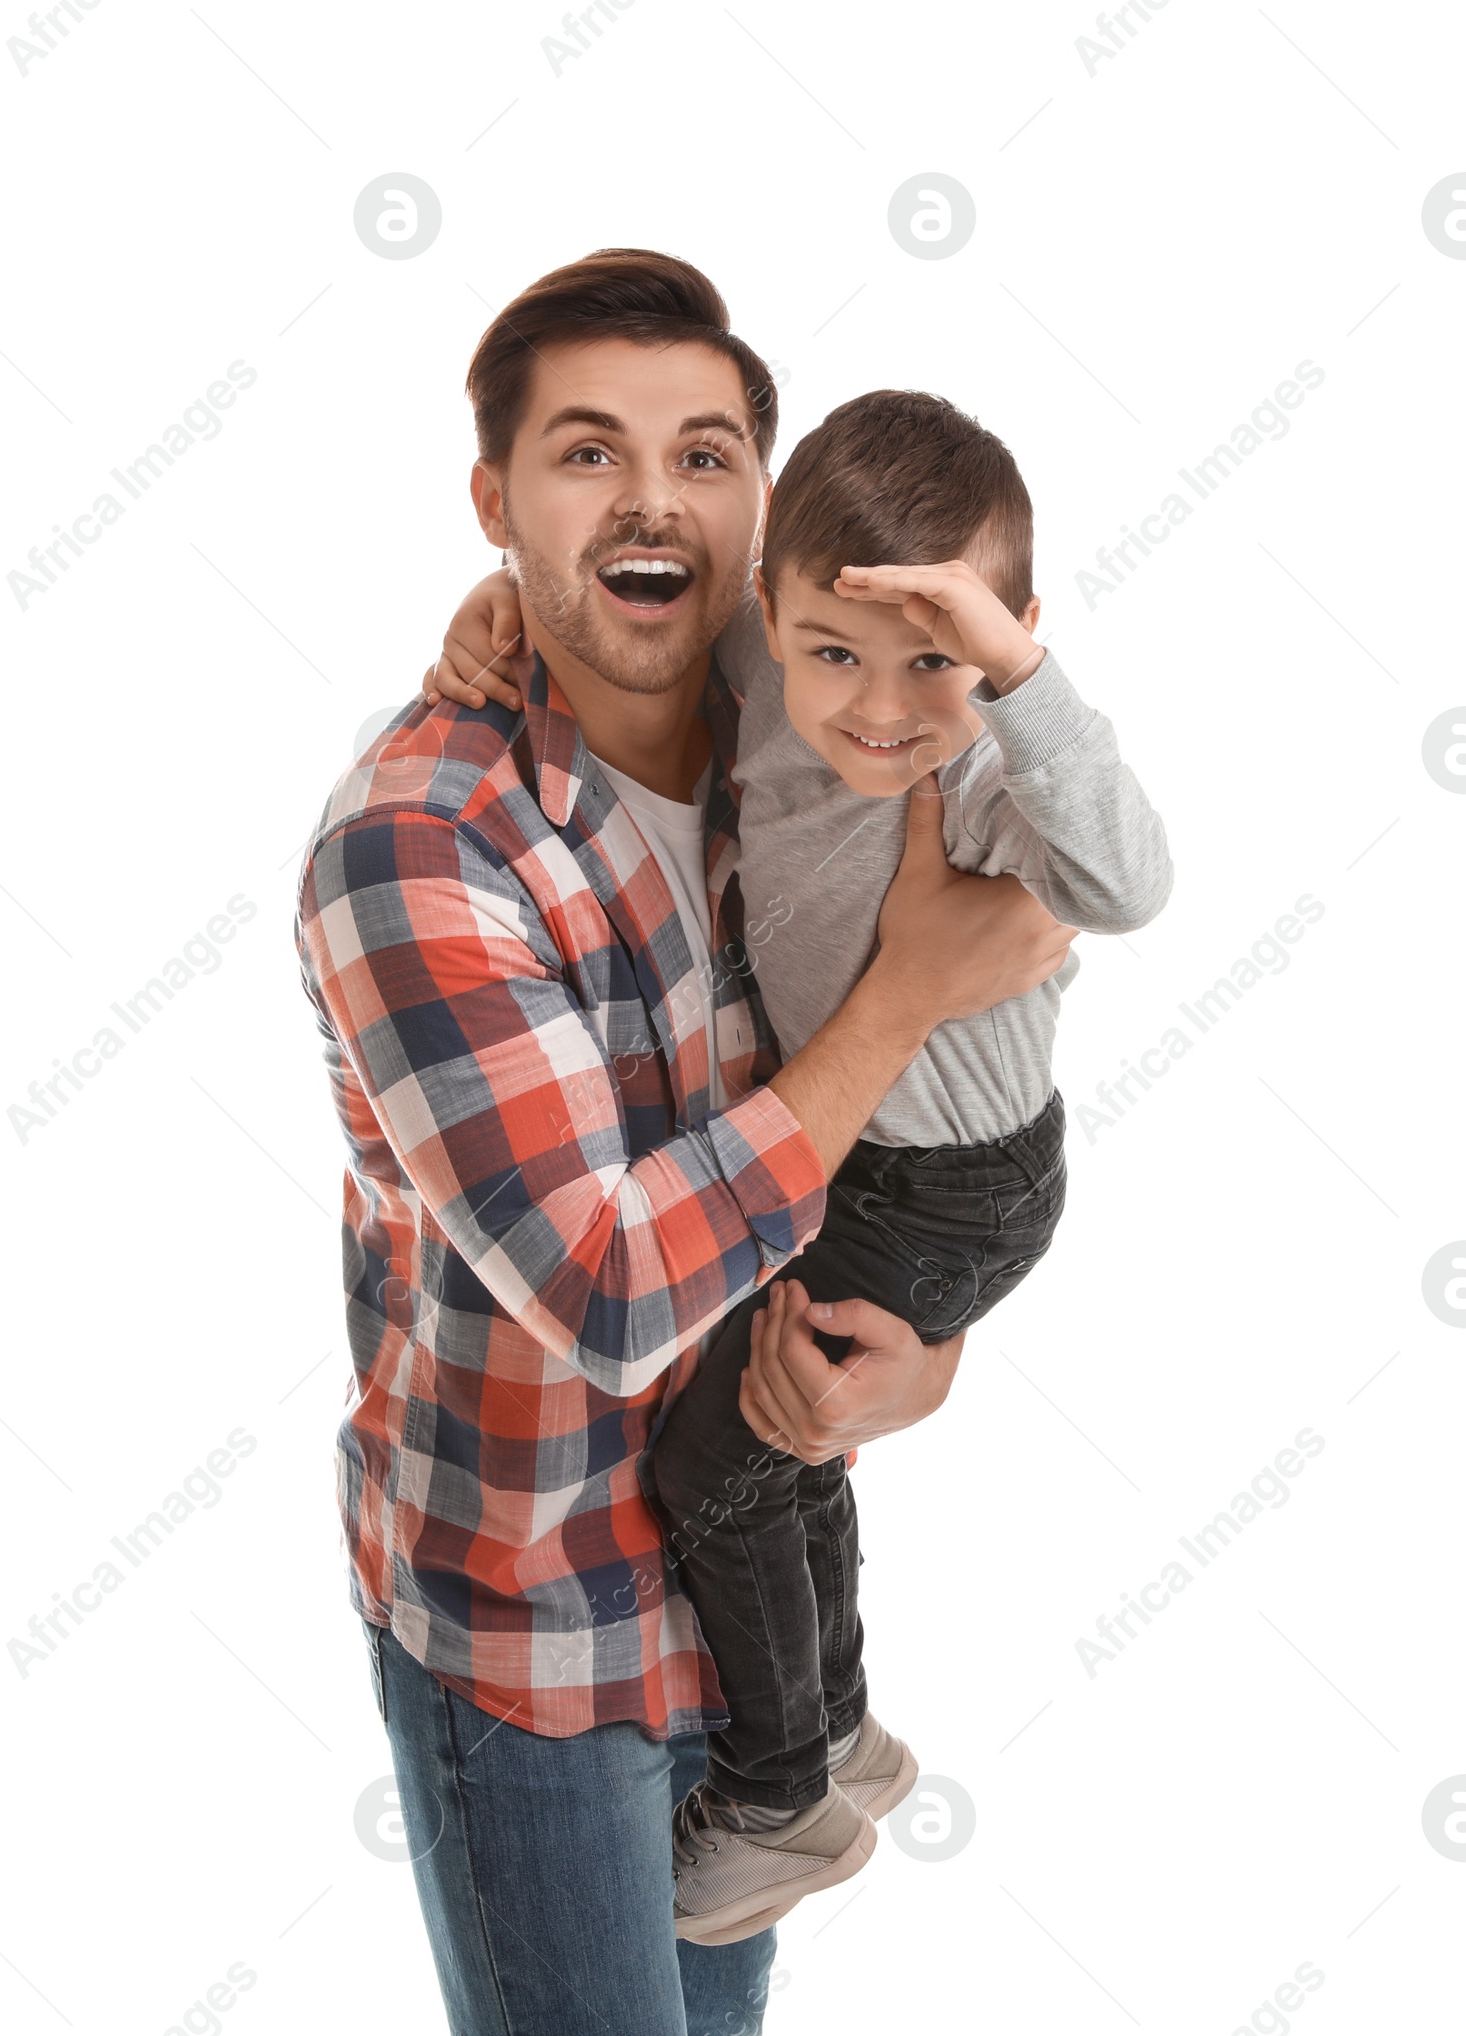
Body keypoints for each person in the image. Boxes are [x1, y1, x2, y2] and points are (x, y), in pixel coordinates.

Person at [295, 249, 1075, 2036]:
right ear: (494, 500)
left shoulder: (812, 732)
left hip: (748, 1611)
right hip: (540, 1632)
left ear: (769, 512)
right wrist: (903, 994)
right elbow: (618, 1287)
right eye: (589, 453)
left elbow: (949, 1127)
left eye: (706, 455)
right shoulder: (418, 848)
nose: (654, 497)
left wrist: (921, 1357)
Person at [431, 388, 1174, 1946]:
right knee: (777, 1424)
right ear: (773, 610)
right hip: (856, 1158)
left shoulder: (982, 777)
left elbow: (1129, 881)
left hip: (950, 1177)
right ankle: (835, 1729)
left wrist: (1025, 682)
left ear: (1000, 643)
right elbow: (645, 605)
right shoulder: (768, 665)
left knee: (717, 1457)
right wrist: (500, 598)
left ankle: (776, 1798)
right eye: (836, 652)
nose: (880, 709)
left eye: (939, 662)